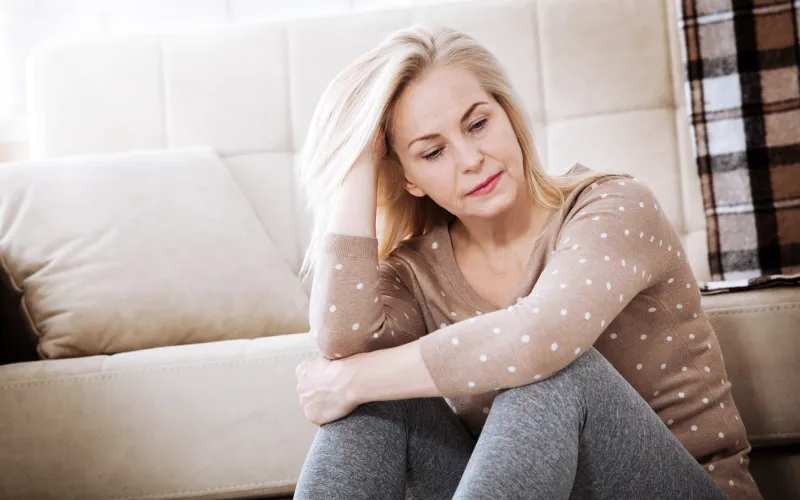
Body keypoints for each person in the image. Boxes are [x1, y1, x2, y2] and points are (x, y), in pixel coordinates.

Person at [292, 25, 762, 500]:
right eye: (433, 152)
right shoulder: (416, 271)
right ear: (409, 178)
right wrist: (357, 163)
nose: (471, 158)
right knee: (370, 408)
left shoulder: (614, 206)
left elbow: (537, 339)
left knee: (554, 370)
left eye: (478, 125)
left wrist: (350, 381)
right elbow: (342, 342)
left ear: (509, 118)